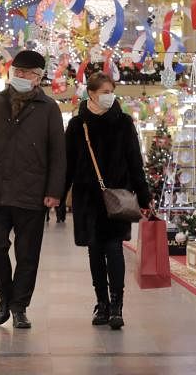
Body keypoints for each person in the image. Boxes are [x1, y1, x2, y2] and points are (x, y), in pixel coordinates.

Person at [0, 50, 66, 329]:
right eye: (17, 72)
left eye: (27, 73)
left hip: (33, 193)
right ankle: (4, 298)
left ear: (38, 77)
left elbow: (58, 154)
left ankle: (19, 306)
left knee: (27, 254)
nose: (20, 77)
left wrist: (54, 191)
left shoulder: (49, 109)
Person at [63, 72, 151, 330]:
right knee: (94, 252)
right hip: (88, 199)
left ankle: (116, 305)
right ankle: (101, 302)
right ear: (91, 93)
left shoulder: (123, 123)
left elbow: (135, 162)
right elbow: (67, 164)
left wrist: (144, 196)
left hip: (117, 198)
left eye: (111, 91)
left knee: (114, 250)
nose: (108, 96)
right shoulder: (78, 125)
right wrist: (57, 194)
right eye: (104, 92)